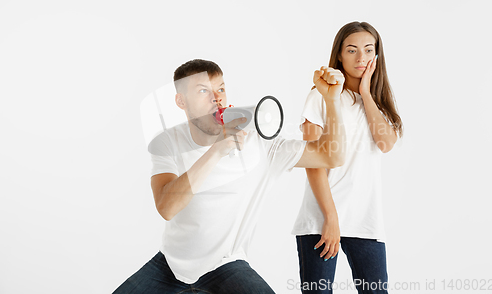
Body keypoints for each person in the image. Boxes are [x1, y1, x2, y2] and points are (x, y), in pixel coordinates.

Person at [113, 59, 347, 293]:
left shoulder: (260, 143)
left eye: (221, 89)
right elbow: (166, 207)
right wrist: (217, 150)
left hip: (226, 265)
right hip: (170, 265)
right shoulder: (167, 142)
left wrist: (332, 100)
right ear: (181, 101)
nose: (217, 98)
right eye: (203, 91)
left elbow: (331, 157)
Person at [292, 22, 403, 294]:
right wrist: (331, 218)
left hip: (365, 220)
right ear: (339, 55)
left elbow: (386, 143)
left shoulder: (377, 103)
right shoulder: (321, 95)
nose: (361, 58)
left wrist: (365, 93)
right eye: (352, 50)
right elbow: (313, 162)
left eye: (368, 50)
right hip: (321, 219)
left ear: (377, 56)